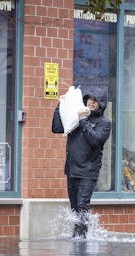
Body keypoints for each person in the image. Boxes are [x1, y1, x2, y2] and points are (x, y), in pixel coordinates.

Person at [52, 87, 112, 237]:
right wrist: (60, 106)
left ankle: (81, 239)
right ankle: (77, 237)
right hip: (72, 169)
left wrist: (83, 120)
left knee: (82, 205)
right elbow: (57, 128)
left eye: (95, 100)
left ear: (101, 103)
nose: (91, 102)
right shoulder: (76, 116)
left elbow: (95, 140)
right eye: (90, 99)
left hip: (88, 172)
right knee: (74, 208)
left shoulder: (104, 123)